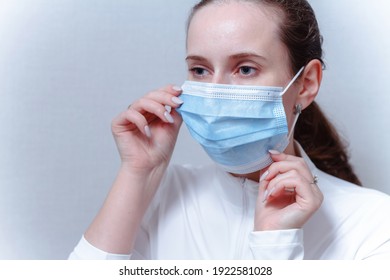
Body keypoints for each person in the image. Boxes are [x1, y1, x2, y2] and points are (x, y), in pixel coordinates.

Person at [69, 0, 390, 260]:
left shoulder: (374, 224)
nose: (216, 90)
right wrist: (138, 173)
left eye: (245, 68)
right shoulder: (161, 195)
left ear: (306, 83)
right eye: (200, 70)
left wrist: (275, 247)